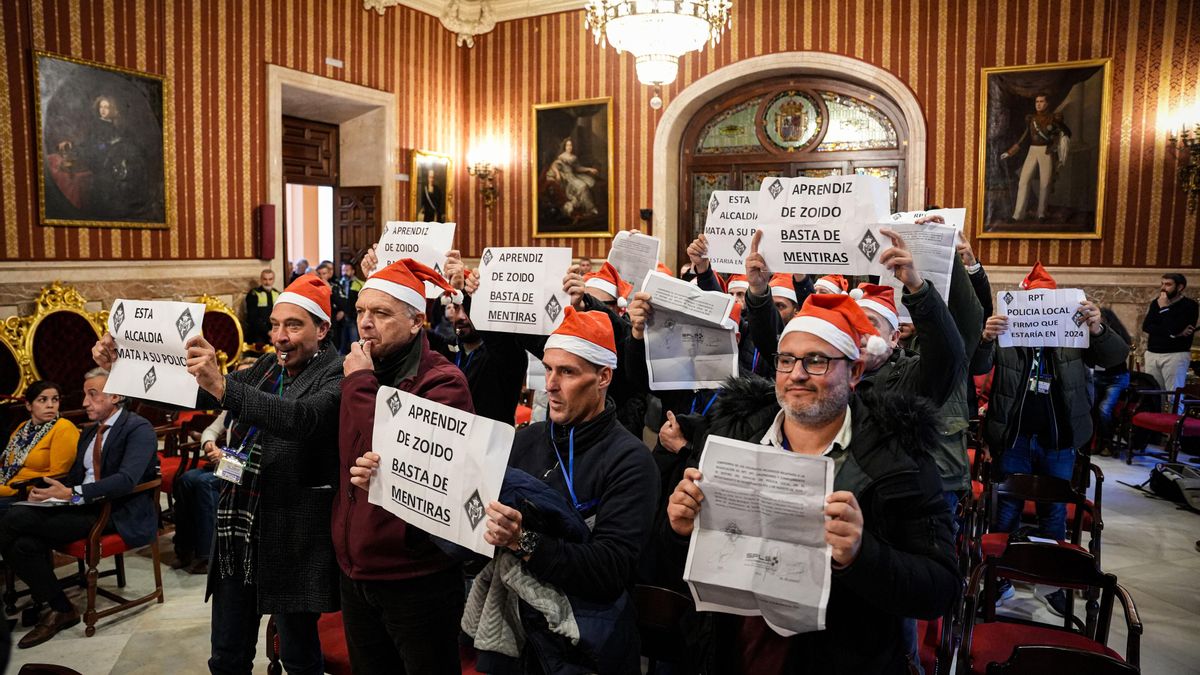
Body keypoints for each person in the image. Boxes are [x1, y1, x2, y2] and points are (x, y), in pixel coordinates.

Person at [662, 294, 958, 673]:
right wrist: (680, 531)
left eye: (816, 361)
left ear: (853, 372)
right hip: (736, 654)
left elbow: (940, 589)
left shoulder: (898, 459)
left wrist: (859, 554)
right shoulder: (731, 438)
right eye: (786, 360)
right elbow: (677, 566)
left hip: (844, 657)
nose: (797, 374)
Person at [94, 273, 343, 674]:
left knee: (297, 656)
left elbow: (299, 418)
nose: (280, 336)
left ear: (323, 328)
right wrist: (125, 368)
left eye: (294, 326)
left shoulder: (337, 372)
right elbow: (194, 393)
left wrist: (224, 387)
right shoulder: (267, 365)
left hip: (292, 537)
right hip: (237, 535)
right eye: (275, 325)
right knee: (226, 656)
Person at [476, 306, 659, 673]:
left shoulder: (631, 461)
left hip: (588, 648)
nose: (551, 384)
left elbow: (609, 570)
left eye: (567, 372)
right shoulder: (524, 441)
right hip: (515, 636)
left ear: (603, 376)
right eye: (548, 368)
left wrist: (521, 541)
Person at [337, 258, 473, 674]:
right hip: (356, 569)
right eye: (361, 311)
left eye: (381, 313)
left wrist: (360, 384)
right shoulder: (356, 370)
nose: (365, 323)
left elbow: (407, 454)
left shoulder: (444, 382)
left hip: (415, 573)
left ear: (417, 321)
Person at [978, 262, 1128, 613]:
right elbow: (977, 366)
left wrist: (1098, 327)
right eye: (1034, 303)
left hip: (1059, 440)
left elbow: (1116, 357)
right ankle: (997, 579)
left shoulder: (1075, 332)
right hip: (1014, 437)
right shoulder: (1006, 333)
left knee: (1054, 511)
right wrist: (985, 338)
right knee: (1005, 511)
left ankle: (1050, 581)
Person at [0, 368, 158, 649]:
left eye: (92, 394)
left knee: (12, 517)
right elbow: (74, 477)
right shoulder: (89, 432)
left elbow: (125, 481)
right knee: (22, 542)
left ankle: (54, 607)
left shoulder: (138, 428)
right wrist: (50, 494)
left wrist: (72, 493)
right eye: (85, 395)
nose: (84, 402)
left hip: (112, 512)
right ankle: (61, 608)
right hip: (78, 505)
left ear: (116, 395)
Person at [171, 359, 259, 575]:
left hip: (247, 472)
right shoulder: (230, 407)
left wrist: (225, 456)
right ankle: (184, 547)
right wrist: (209, 444)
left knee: (203, 484)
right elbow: (211, 430)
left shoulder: (260, 409)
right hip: (226, 464)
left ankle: (207, 554)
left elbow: (256, 452)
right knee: (185, 480)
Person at [0, 381, 79, 511]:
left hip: (29, 492)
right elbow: (6, 463)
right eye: (42, 400)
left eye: (55, 400)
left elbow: (58, 475)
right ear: (29, 405)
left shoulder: (63, 427)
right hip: (7, 485)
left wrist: (9, 490)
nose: (50, 405)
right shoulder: (23, 427)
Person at [1000, 92, 1072, 221]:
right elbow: (1024, 137)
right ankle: (1017, 215)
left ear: (1047, 103)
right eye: (1037, 102)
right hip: (1032, 150)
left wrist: (1058, 136)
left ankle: (1041, 214)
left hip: (1046, 151)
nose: (1038, 104)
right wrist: (1010, 152)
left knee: (1045, 183)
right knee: (1023, 181)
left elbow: (1067, 133)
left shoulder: (1054, 118)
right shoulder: (1031, 119)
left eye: (1041, 102)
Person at [1141, 273, 1198, 411]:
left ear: (1180, 287)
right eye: (1162, 284)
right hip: (1153, 353)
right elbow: (1147, 326)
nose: (1163, 288)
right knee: (1154, 395)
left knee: (1174, 396)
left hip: (1175, 355)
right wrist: (1173, 333)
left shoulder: (1189, 305)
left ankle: (1175, 430)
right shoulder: (1156, 302)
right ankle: (1155, 430)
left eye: (1168, 284)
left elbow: (1175, 327)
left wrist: (1165, 309)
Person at [1094, 308, 1132, 456]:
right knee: (1088, 405)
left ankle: (1107, 442)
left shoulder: (1116, 338)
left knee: (1104, 409)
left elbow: (1116, 358)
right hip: (1098, 376)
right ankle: (1092, 444)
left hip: (1116, 379)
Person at [547, 138, 600, 219]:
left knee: (587, 185)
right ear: (565, 147)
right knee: (583, 186)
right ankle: (590, 209)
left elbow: (577, 168)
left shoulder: (574, 157)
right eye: (567, 145)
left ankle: (589, 209)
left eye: (571, 145)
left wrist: (589, 169)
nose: (569, 147)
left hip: (573, 176)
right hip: (567, 179)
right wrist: (557, 174)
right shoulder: (561, 157)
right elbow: (553, 166)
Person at [244, 269, 280, 346]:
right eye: (265, 279)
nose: (267, 282)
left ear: (273, 280)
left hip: (274, 331)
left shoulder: (277, 294)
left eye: (270, 279)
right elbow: (252, 318)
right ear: (261, 279)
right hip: (258, 332)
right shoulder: (254, 294)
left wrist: (275, 332)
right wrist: (268, 332)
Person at [335, 261, 362, 352]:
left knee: (354, 342)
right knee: (341, 344)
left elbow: (359, 302)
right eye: (343, 270)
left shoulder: (359, 283)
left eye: (347, 270)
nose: (345, 272)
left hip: (353, 318)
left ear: (353, 271)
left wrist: (347, 311)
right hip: (340, 320)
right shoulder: (338, 284)